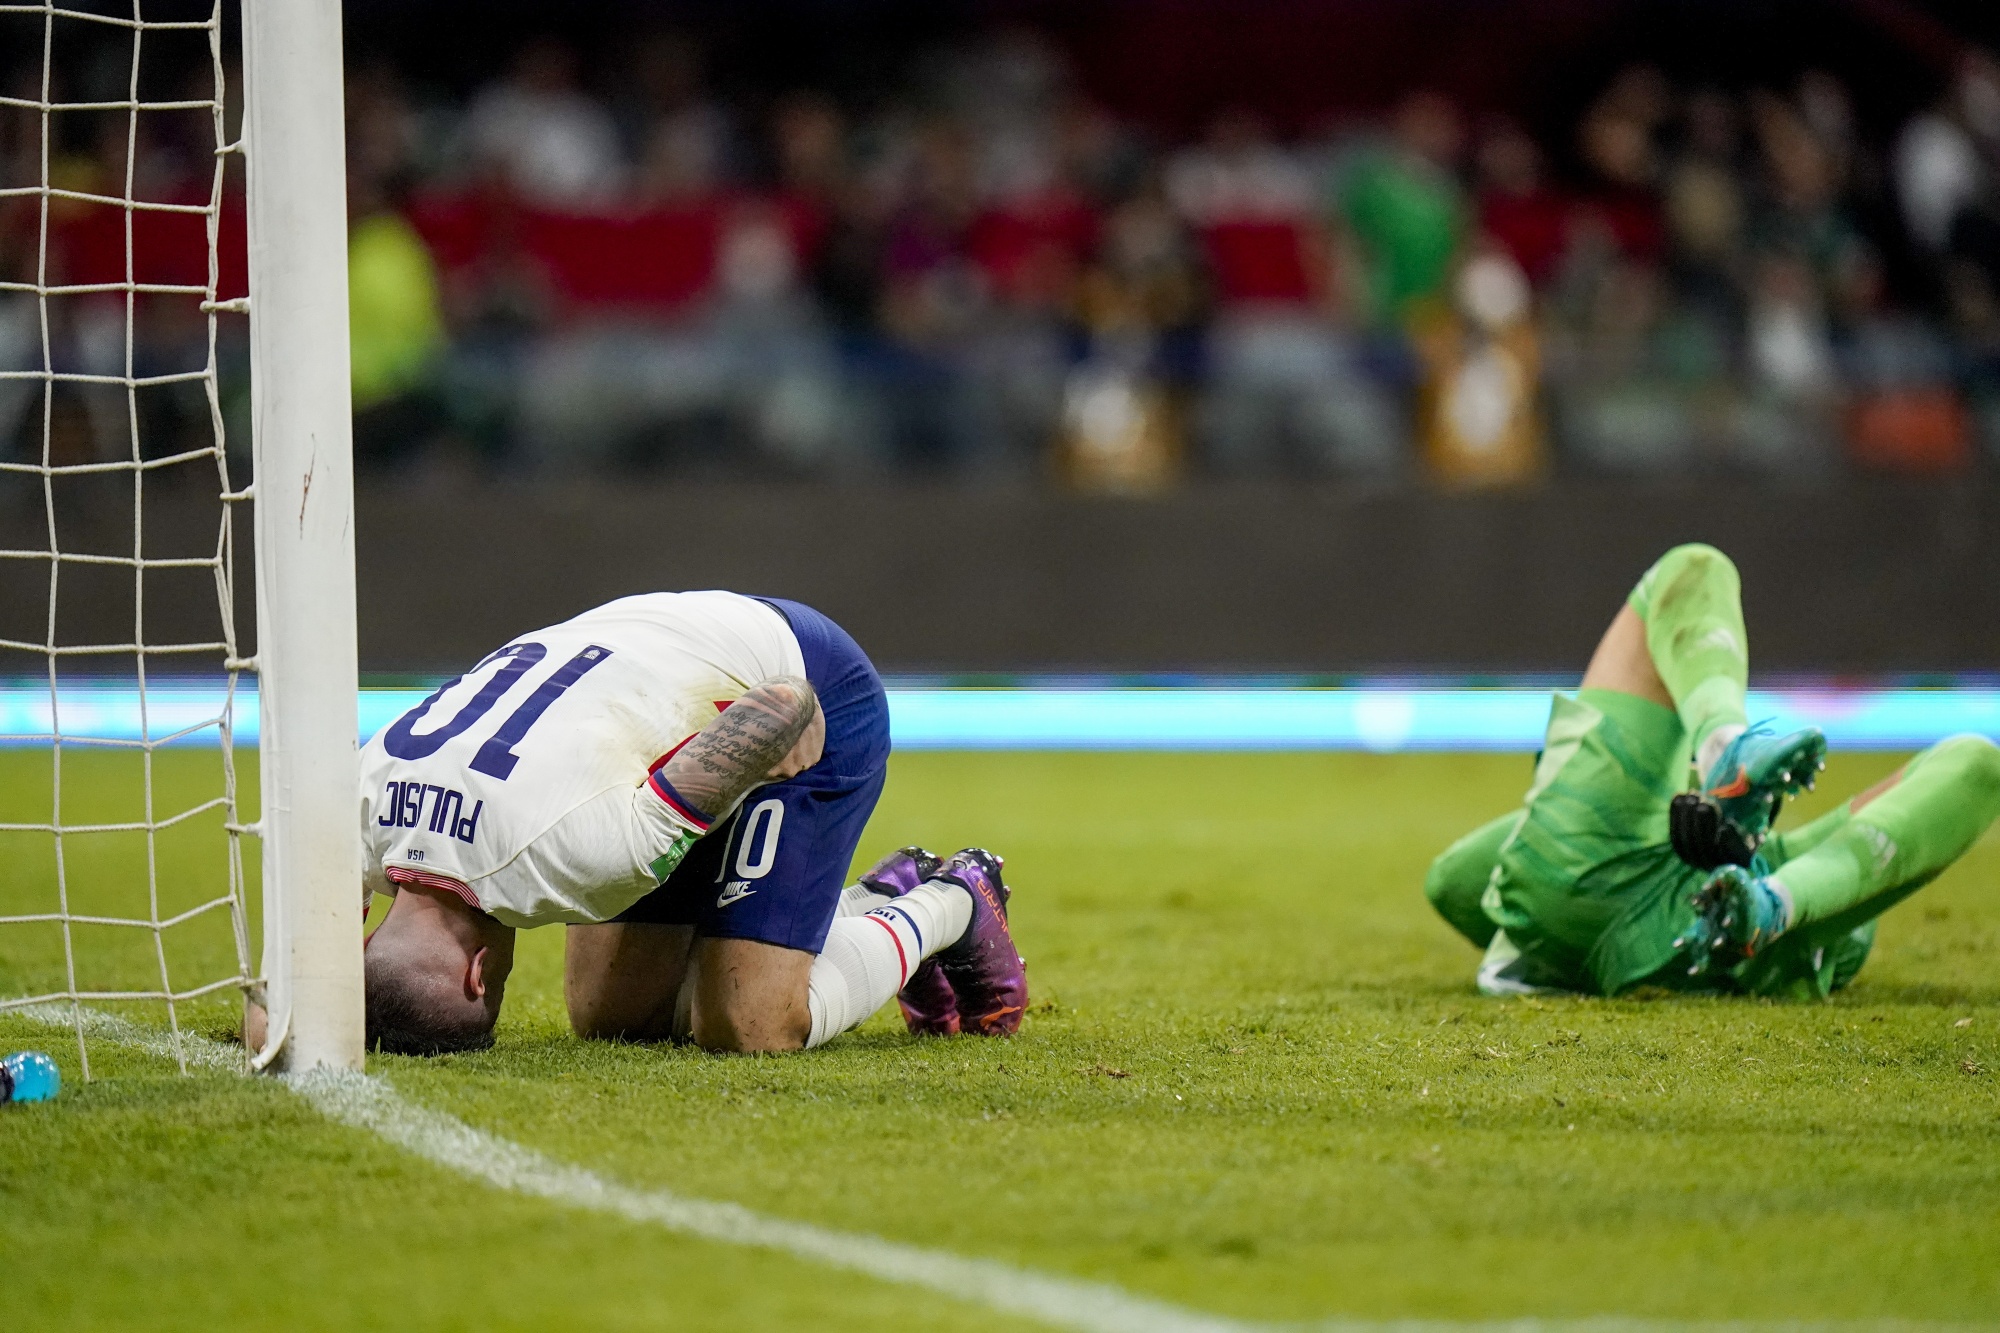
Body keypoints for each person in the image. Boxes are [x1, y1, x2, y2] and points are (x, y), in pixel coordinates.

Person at [357, 590, 1025, 1055]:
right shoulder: (354, 802)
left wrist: (777, 718)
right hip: (646, 659)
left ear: (480, 972)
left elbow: (780, 706)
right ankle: (880, 898)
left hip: (804, 682)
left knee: (748, 1021)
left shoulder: (578, 852)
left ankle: (953, 900)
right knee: (615, 1018)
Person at [1424, 544, 2000, 998]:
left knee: (1695, 568)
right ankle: (1772, 903)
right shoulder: (1814, 898)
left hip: (1583, 886)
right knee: (1976, 760)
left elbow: (1453, 882)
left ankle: (1722, 742)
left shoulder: (1785, 863)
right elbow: (1970, 770)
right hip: (1724, 948)